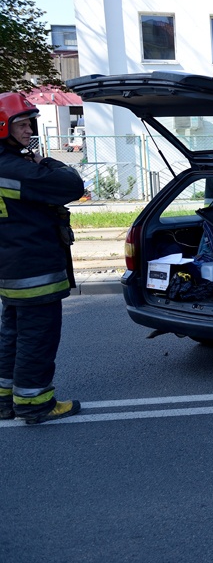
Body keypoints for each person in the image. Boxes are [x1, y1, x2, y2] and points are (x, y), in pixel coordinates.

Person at [0, 92, 85, 424]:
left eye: (30, 123)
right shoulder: (19, 170)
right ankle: (36, 403)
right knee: (37, 337)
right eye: (22, 124)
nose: (29, 130)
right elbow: (71, 186)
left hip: (11, 269)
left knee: (13, 335)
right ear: (4, 127)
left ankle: (6, 400)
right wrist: (47, 161)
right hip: (35, 269)